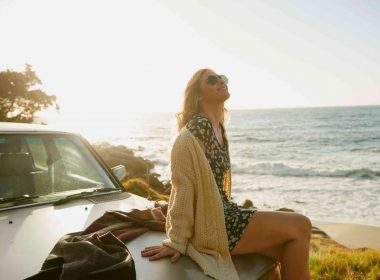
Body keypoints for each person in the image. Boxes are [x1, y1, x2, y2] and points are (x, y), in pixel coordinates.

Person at [141, 69, 312, 280]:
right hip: (216, 226)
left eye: (223, 78)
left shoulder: (218, 128)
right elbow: (183, 186)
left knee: (297, 246)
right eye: (212, 80)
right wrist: (177, 241)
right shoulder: (198, 127)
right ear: (198, 95)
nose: (220, 81)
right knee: (302, 224)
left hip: (225, 215)